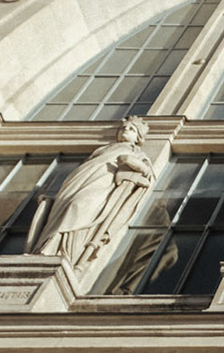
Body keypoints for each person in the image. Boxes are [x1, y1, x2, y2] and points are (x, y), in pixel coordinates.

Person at [27, 117, 156, 273]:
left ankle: (64, 253)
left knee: (78, 205)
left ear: (138, 137)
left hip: (104, 180)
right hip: (79, 179)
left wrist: (132, 162)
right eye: (123, 128)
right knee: (62, 210)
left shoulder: (136, 152)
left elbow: (148, 174)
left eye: (131, 129)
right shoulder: (103, 149)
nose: (125, 130)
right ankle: (46, 249)